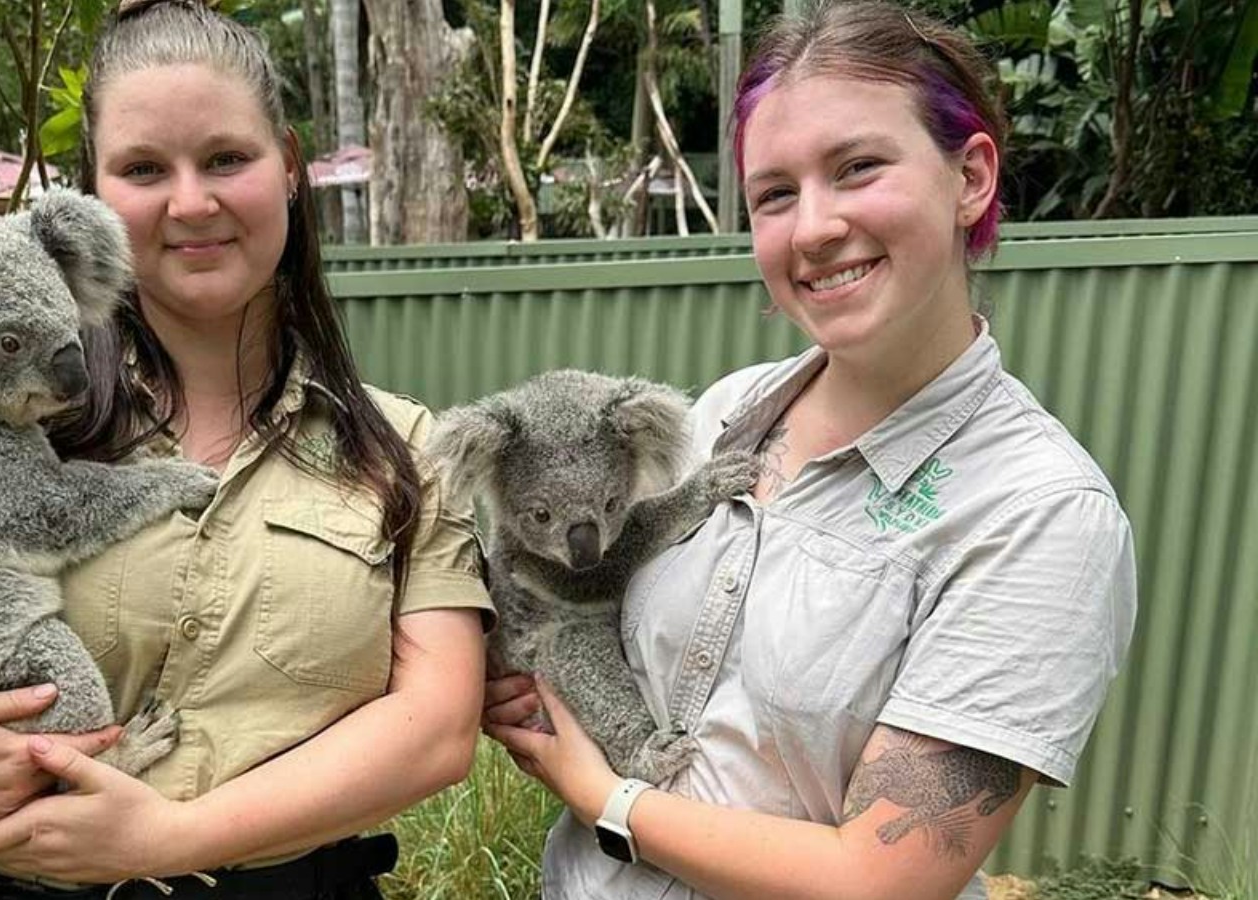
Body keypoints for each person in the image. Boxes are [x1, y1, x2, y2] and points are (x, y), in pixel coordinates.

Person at [0, 1, 492, 897]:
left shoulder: (402, 447)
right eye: (144, 168)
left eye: (227, 157)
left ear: (291, 167)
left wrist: (169, 836)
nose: (192, 202)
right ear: (96, 196)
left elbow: (438, 727)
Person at [483, 2, 1138, 898]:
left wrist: (605, 796)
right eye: (775, 194)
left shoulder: (1038, 516)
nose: (814, 227)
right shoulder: (722, 414)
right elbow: (598, 618)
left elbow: (879, 881)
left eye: (858, 168)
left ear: (972, 177)